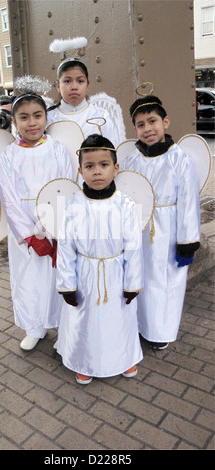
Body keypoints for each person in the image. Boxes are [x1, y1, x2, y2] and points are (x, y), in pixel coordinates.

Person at [56, 134, 143, 384]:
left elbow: (134, 247)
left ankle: (124, 358)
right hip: (85, 272)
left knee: (119, 319)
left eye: (104, 165)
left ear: (116, 168)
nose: (97, 172)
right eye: (89, 166)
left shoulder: (124, 204)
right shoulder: (74, 205)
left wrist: (132, 283)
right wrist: (67, 284)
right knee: (87, 320)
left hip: (117, 273)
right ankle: (84, 360)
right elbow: (66, 247)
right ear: (80, 170)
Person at [121, 95, 201, 350]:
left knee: (165, 282)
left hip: (168, 230)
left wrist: (187, 241)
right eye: (141, 124)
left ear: (165, 122)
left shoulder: (179, 159)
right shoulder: (133, 159)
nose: (148, 129)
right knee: (140, 277)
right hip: (139, 228)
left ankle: (161, 331)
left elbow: (188, 201)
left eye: (152, 121)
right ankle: (141, 325)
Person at [0, 93, 74, 351]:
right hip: (25, 232)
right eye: (24, 117)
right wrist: (31, 234)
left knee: (58, 277)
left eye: (37, 115)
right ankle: (34, 327)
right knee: (28, 278)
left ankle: (64, 325)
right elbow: (9, 198)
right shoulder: (9, 156)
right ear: (15, 122)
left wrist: (52, 228)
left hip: (54, 225)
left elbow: (66, 186)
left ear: (46, 117)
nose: (32, 123)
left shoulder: (57, 149)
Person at [47, 58, 122, 148]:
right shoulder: (47, 118)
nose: (74, 87)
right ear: (58, 86)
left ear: (87, 86)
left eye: (80, 81)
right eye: (67, 81)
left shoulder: (102, 117)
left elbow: (114, 154)